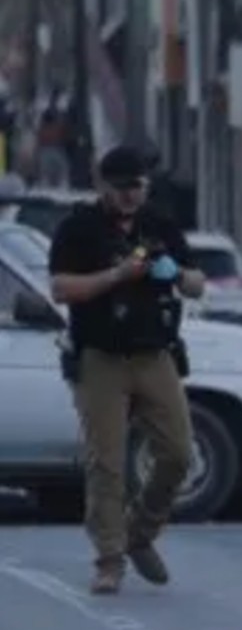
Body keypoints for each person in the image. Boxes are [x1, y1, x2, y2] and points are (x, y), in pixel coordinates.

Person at [47, 145, 206, 594]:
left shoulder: (159, 224)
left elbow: (196, 284)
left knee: (177, 452)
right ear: (102, 187)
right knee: (107, 462)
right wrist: (115, 277)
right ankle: (109, 558)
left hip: (154, 353)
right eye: (120, 188)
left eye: (136, 187)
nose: (129, 196)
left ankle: (142, 532)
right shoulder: (80, 228)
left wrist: (173, 274)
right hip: (102, 356)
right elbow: (60, 288)